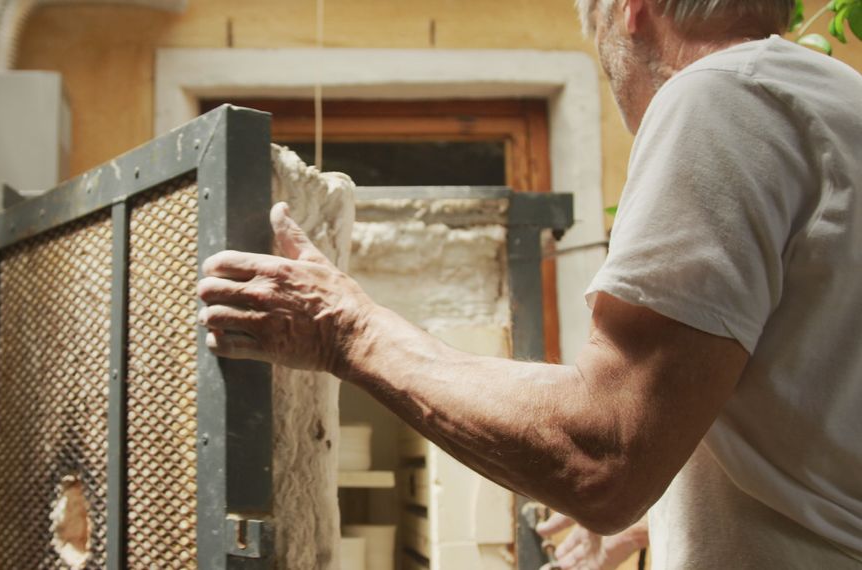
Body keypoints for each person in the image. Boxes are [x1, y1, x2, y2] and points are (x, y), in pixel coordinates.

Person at [196, 0, 862, 567]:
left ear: (631, 10)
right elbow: (810, 408)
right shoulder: (834, 103)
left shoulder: (721, 96)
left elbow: (603, 453)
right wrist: (660, 519)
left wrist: (348, 329)